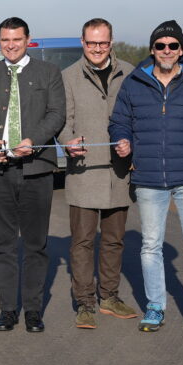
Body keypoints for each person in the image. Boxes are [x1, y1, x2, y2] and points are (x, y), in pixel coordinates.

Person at [110, 20, 183, 342]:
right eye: (161, 46)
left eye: (173, 45)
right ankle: (155, 306)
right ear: (152, 50)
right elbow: (120, 121)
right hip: (147, 176)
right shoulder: (134, 83)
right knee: (150, 246)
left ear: (182, 49)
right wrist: (122, 140)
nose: (167, 51)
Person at [0, 17, 66, 333]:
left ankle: (33, 310)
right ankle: (7, 310)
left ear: (28, 40)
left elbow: (57, 114)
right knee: (3, 244)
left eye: (16, 39)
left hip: (36, 169)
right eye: (4, 40)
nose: (10, 45)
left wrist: (33, 142)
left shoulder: (49, 73)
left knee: (36, 244)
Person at [60, 18, 140, 329]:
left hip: (118, 174)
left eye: (103, 43)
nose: (97, 48)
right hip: (83, 172)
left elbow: (138, 116)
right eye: (91, 42)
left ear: (111, 42)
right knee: (81, 241)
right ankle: (85, 302)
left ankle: (109, 297)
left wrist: (132, 143)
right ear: (82, 42)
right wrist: (68, 142)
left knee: (114, 240)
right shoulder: (68, 77)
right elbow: (63, 122)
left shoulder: (130, 73)